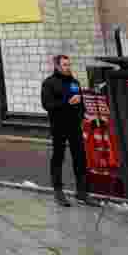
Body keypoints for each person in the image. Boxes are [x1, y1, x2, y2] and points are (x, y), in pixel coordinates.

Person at [42, 54, 98, 207]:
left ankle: (82, 192)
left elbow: (80, 103)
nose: (68, 67)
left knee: (80, 158)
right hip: (59, 126)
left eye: (69, 64)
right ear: (57, 66)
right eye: (65, 65)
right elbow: (47, 105)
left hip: (74, 126)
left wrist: (84, 115)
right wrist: (67, 102)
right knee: (58, 157)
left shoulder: (74, 82)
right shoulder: (49, 83)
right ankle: (58, 191)